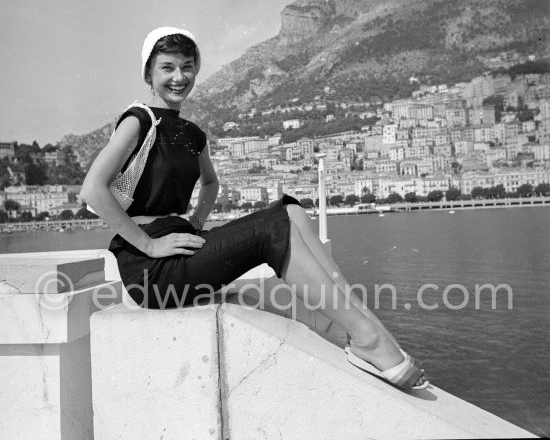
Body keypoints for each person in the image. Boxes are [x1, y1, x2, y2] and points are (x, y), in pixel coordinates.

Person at [81, 26, 428, 391]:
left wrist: (195, 223)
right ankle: (368, 340)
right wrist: (149, 244)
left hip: (181, 248)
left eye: (187, 67)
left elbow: (211, 183)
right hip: (152, 269)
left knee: (291, 210)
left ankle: (371, 329)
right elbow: (93, 189)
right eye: (167, 67)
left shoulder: (194, 134)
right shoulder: (138, 120)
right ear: (148, 74)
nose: (178, 77)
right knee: (271, 228)